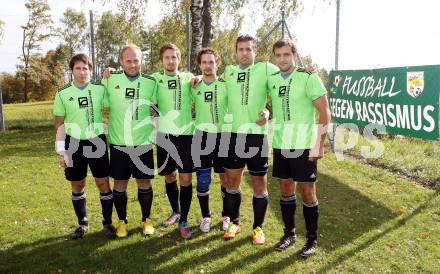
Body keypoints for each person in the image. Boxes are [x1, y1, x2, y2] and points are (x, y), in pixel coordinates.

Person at [268, 39, 330, 257]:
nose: (282, 59)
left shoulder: (308, 78)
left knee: (307, 191)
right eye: (278, 55)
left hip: (305, 146)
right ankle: (289, 234)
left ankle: (311, 240)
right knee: (286, 189)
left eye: (286, 54)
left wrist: (319, 144)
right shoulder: (272, 79)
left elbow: (324, 113)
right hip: (281, 145)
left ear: (294, 54)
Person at [221, 35, 278, 245]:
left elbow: (283, 85)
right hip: (233, 135)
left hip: (256, 137)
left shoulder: (266, 69)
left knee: (258, 184)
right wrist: (197, 79)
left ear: (255, 51)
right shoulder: (228, 72)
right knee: (232, 182)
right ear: (236, 52)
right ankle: (235, 222)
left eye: (248, 49)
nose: (244, 53)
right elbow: (214, 87)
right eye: (241, 49)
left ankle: (258, 228)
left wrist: (267, 111)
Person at [53, 53, 115, 239]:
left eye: (85, 68)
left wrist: (111, 74)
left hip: (97, 141)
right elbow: (59, 124)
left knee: (102, 182)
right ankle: (83, 223)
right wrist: (61, 150)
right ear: (72, 71)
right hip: (73, 143)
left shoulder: (99, 89)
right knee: (78, 184)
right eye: (78, 68)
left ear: (90, 69)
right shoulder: (62, 93)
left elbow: (114, 95)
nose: (82, 72)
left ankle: (107, 223)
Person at [102, 44, 157, 238]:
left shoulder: (151, 82)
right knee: (120, 184)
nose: (132, 64)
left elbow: (158, 108)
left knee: (144, 183)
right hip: (119, 144)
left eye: (136, 60)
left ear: (141, 61)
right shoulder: (110, 80)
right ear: (121, 62)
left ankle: (146, 219)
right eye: (128, 60)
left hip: (143, 143)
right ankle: (122, 221)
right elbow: (99, 101)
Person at [153, 44, 196, 239]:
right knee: (169, 176)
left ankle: (184, 220)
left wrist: (201, 78)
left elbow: (206, 81)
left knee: (185, 178)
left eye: (174, 57)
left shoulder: (189, 78)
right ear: (162, 60)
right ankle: (175, 211)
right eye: (167, 57)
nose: (171, 61)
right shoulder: (154, 79)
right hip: (164, 136)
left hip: (186, 137)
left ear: (179, 59)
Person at [191, 48, 229, 232]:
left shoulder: (226, 84)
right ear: (199, 65)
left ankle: (226, 215)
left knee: (226, 178)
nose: (208, 66)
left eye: (211, 62)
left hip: (222, 136)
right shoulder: (194, 86)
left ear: (217, 63)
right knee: (203, 178)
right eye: (204, 62)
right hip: (201, 136)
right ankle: (206, 216)